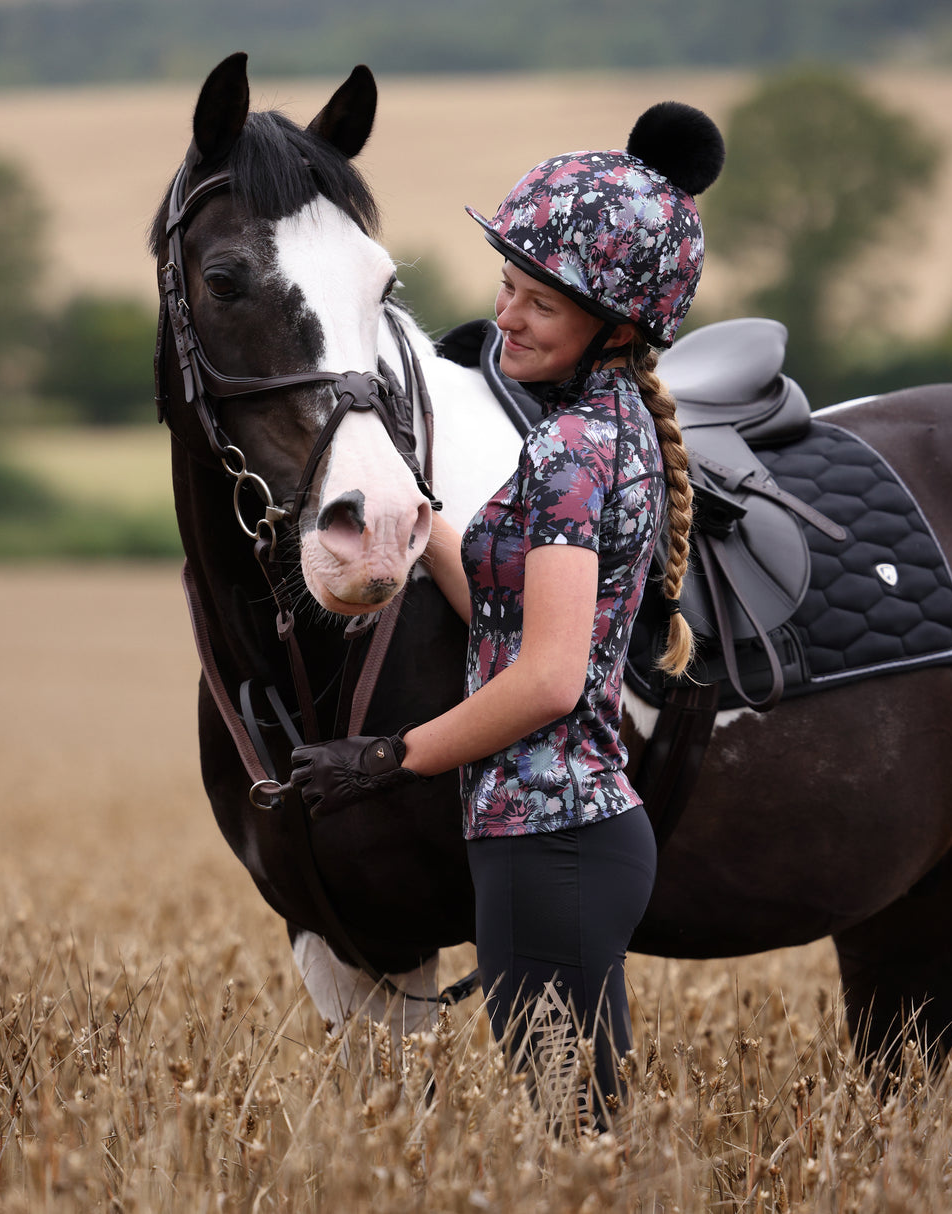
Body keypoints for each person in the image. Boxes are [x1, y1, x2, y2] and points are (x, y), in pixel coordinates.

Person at [291, 100, 724, 1129]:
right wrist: (419, 509)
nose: (506, 318)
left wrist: (391, 756)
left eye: (539, 303)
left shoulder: (572, 450)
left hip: (548, 841)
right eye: (507, 289)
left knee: (571, 1138)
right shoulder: (598, 427)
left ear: (616, 325)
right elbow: (498, 599)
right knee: (578, 1135)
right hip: (558, 839)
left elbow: (547, 676)